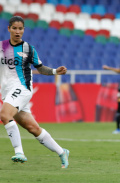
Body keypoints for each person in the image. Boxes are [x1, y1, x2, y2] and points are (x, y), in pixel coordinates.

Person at [0, 16, 70, 168]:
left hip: (23, 88)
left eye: (21, 29)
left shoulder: (28, 49)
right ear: (9, 29)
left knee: (5, 115)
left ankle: (19, 152)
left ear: (24, 30)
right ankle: (62, 152)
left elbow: (40, 67)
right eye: (15, 28)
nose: (18, 31)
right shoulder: (1, 47)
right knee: (33, 128)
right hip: (7, 92)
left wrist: (54, 71)